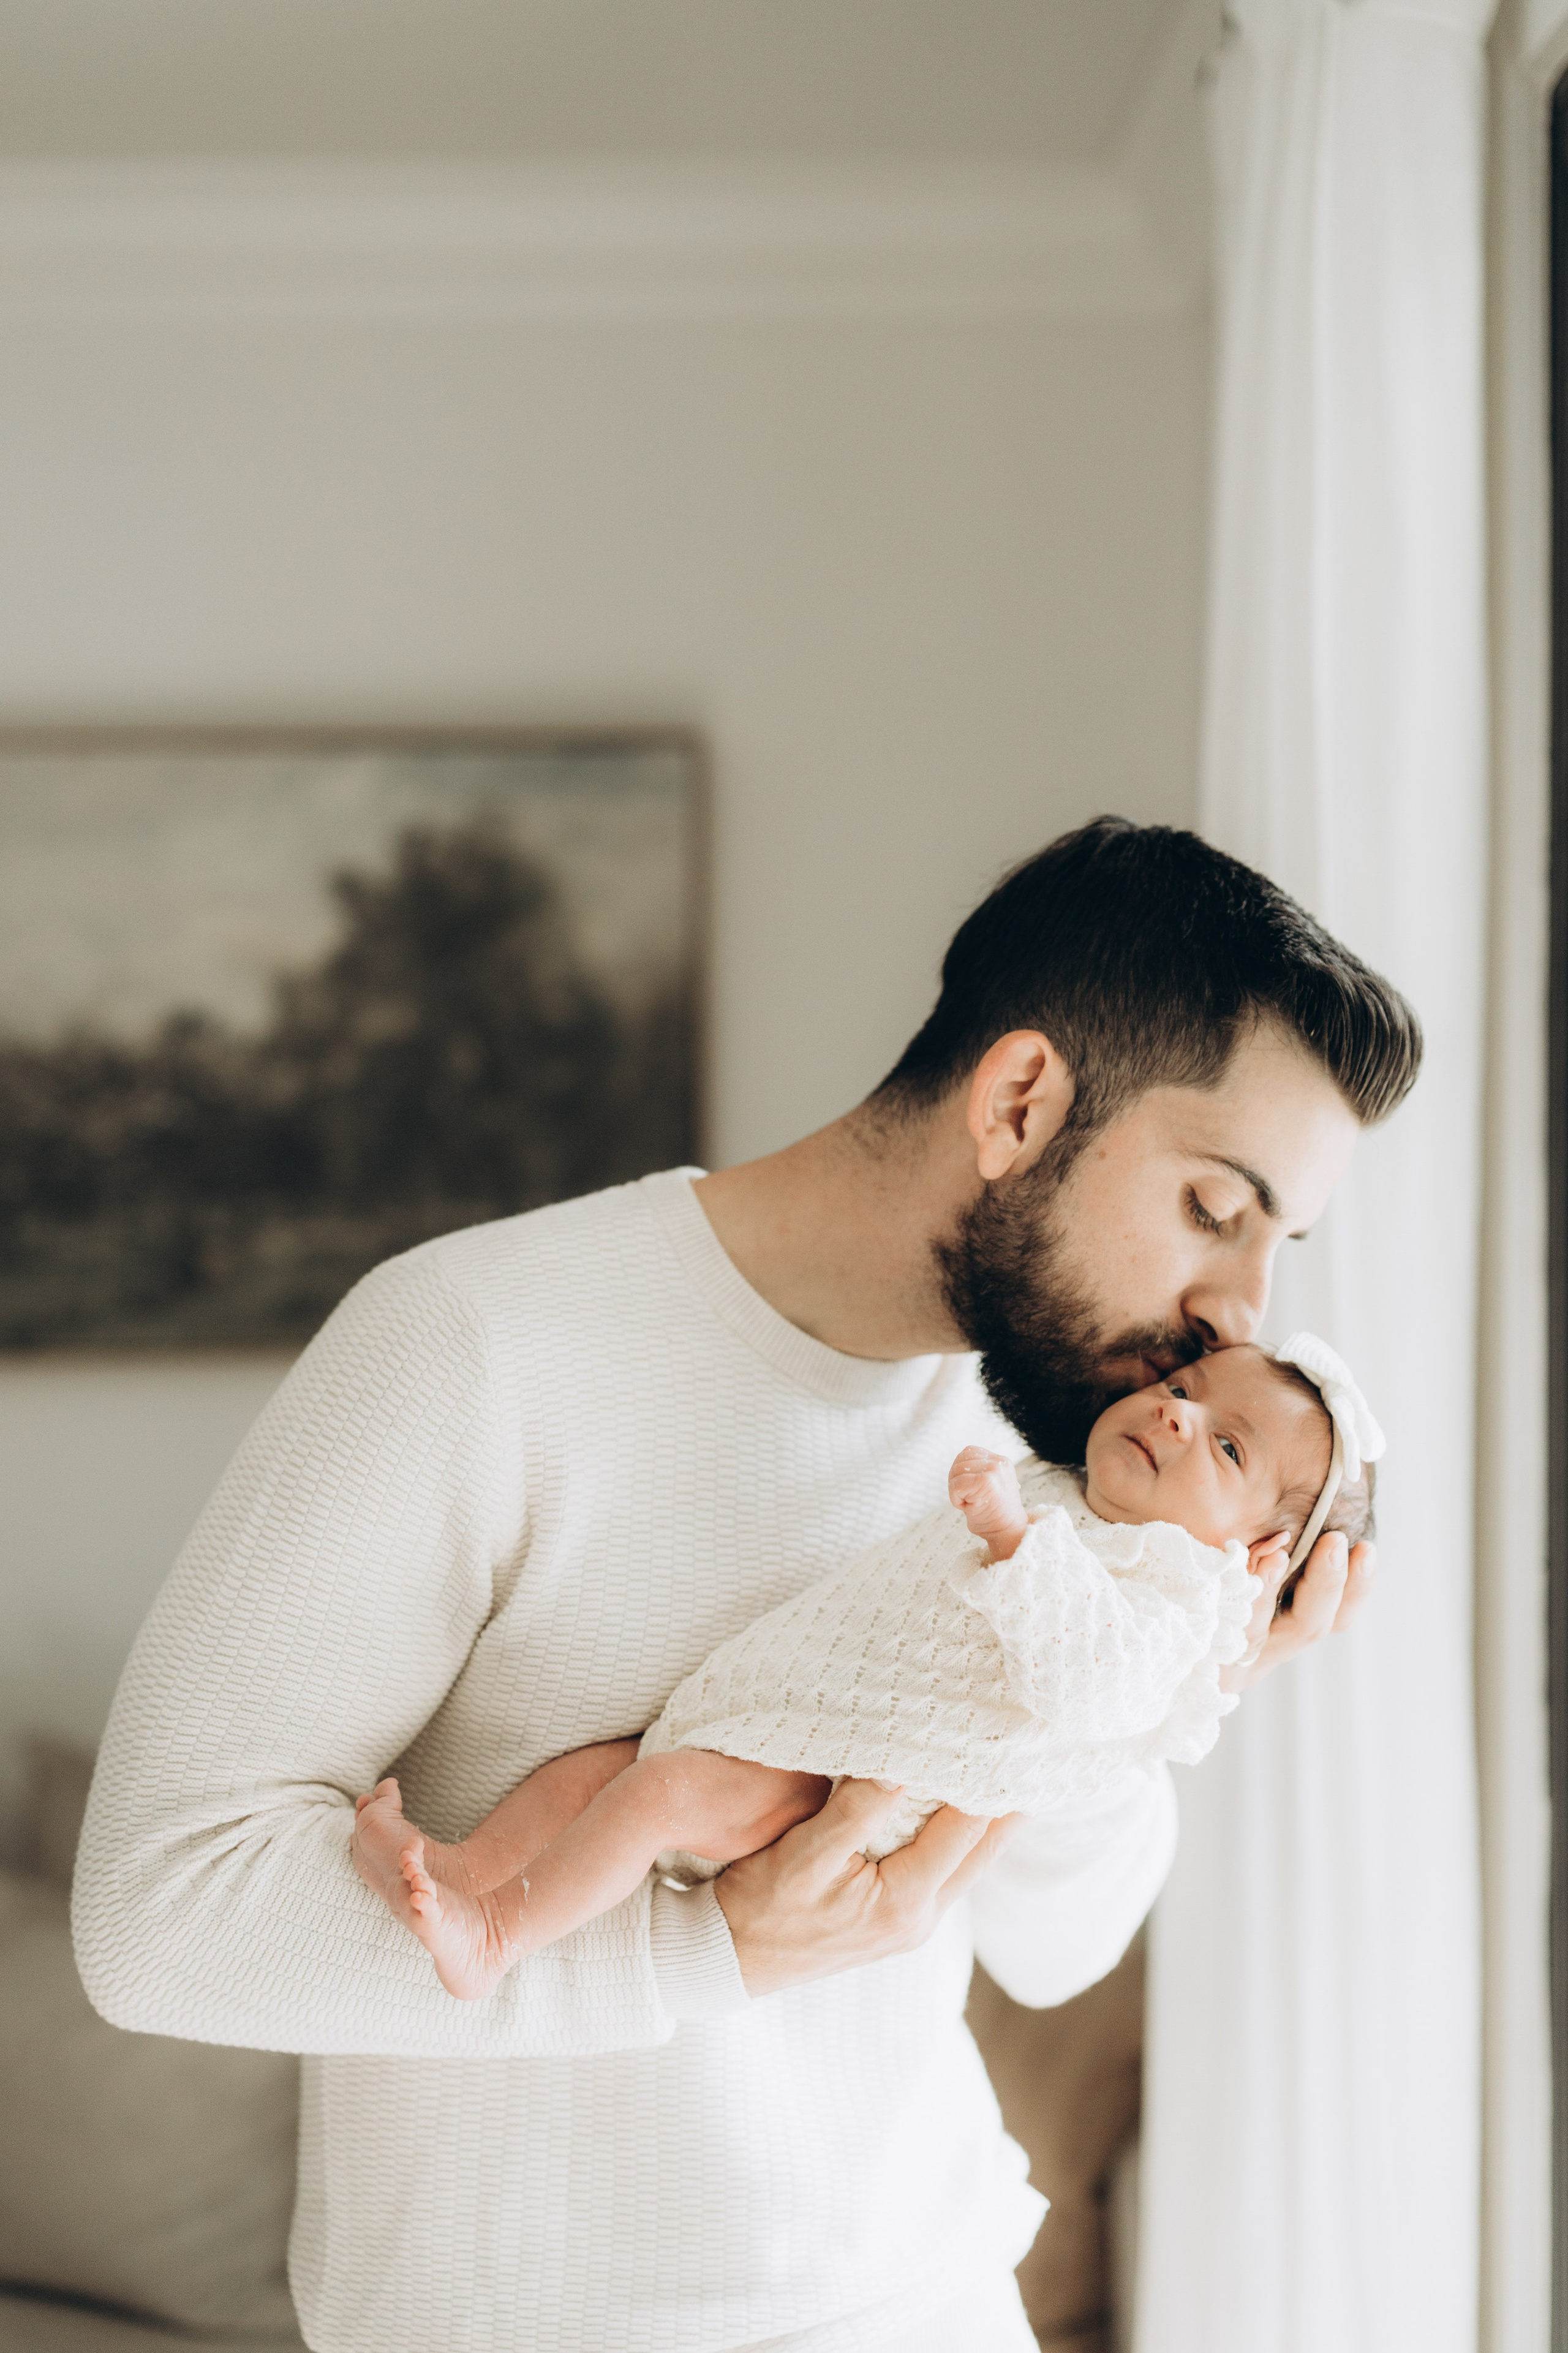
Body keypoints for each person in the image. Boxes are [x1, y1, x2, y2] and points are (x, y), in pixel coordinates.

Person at [72, 818, 1418, 2353]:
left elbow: (1059, 1946)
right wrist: (694, 1952)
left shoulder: (1074, 1446)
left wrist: (1186, 1662)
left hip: (930, 2304)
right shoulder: (476, 1345)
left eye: (1276, 1242)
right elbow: (156, 1918)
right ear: (1021, 1099)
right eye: (1211, 1209)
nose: (1235, 1315)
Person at [350, 1335, 1381, 2003]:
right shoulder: (1065, 1480)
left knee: (655, 1794)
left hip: (836, 1792)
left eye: (1229, 1449)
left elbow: (1092, 1689)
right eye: (1183, 1386)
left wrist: (1023, 1544)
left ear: (1252, 1561)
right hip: (794, 1715)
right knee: (604, 1773)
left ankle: (497, 1935)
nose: (1175, 1413)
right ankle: (461, 1872)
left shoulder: (1170, 1605)